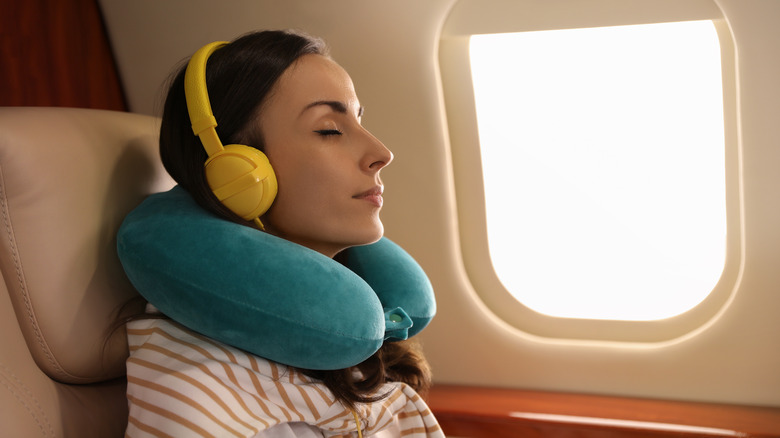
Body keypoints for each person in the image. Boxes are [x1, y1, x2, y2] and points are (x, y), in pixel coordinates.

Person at [123, 30, 443, 437]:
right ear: (238, 173)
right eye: (329, 129)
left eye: (359, 119)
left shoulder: (352, 343)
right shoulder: (205, 389)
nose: (382, 152)